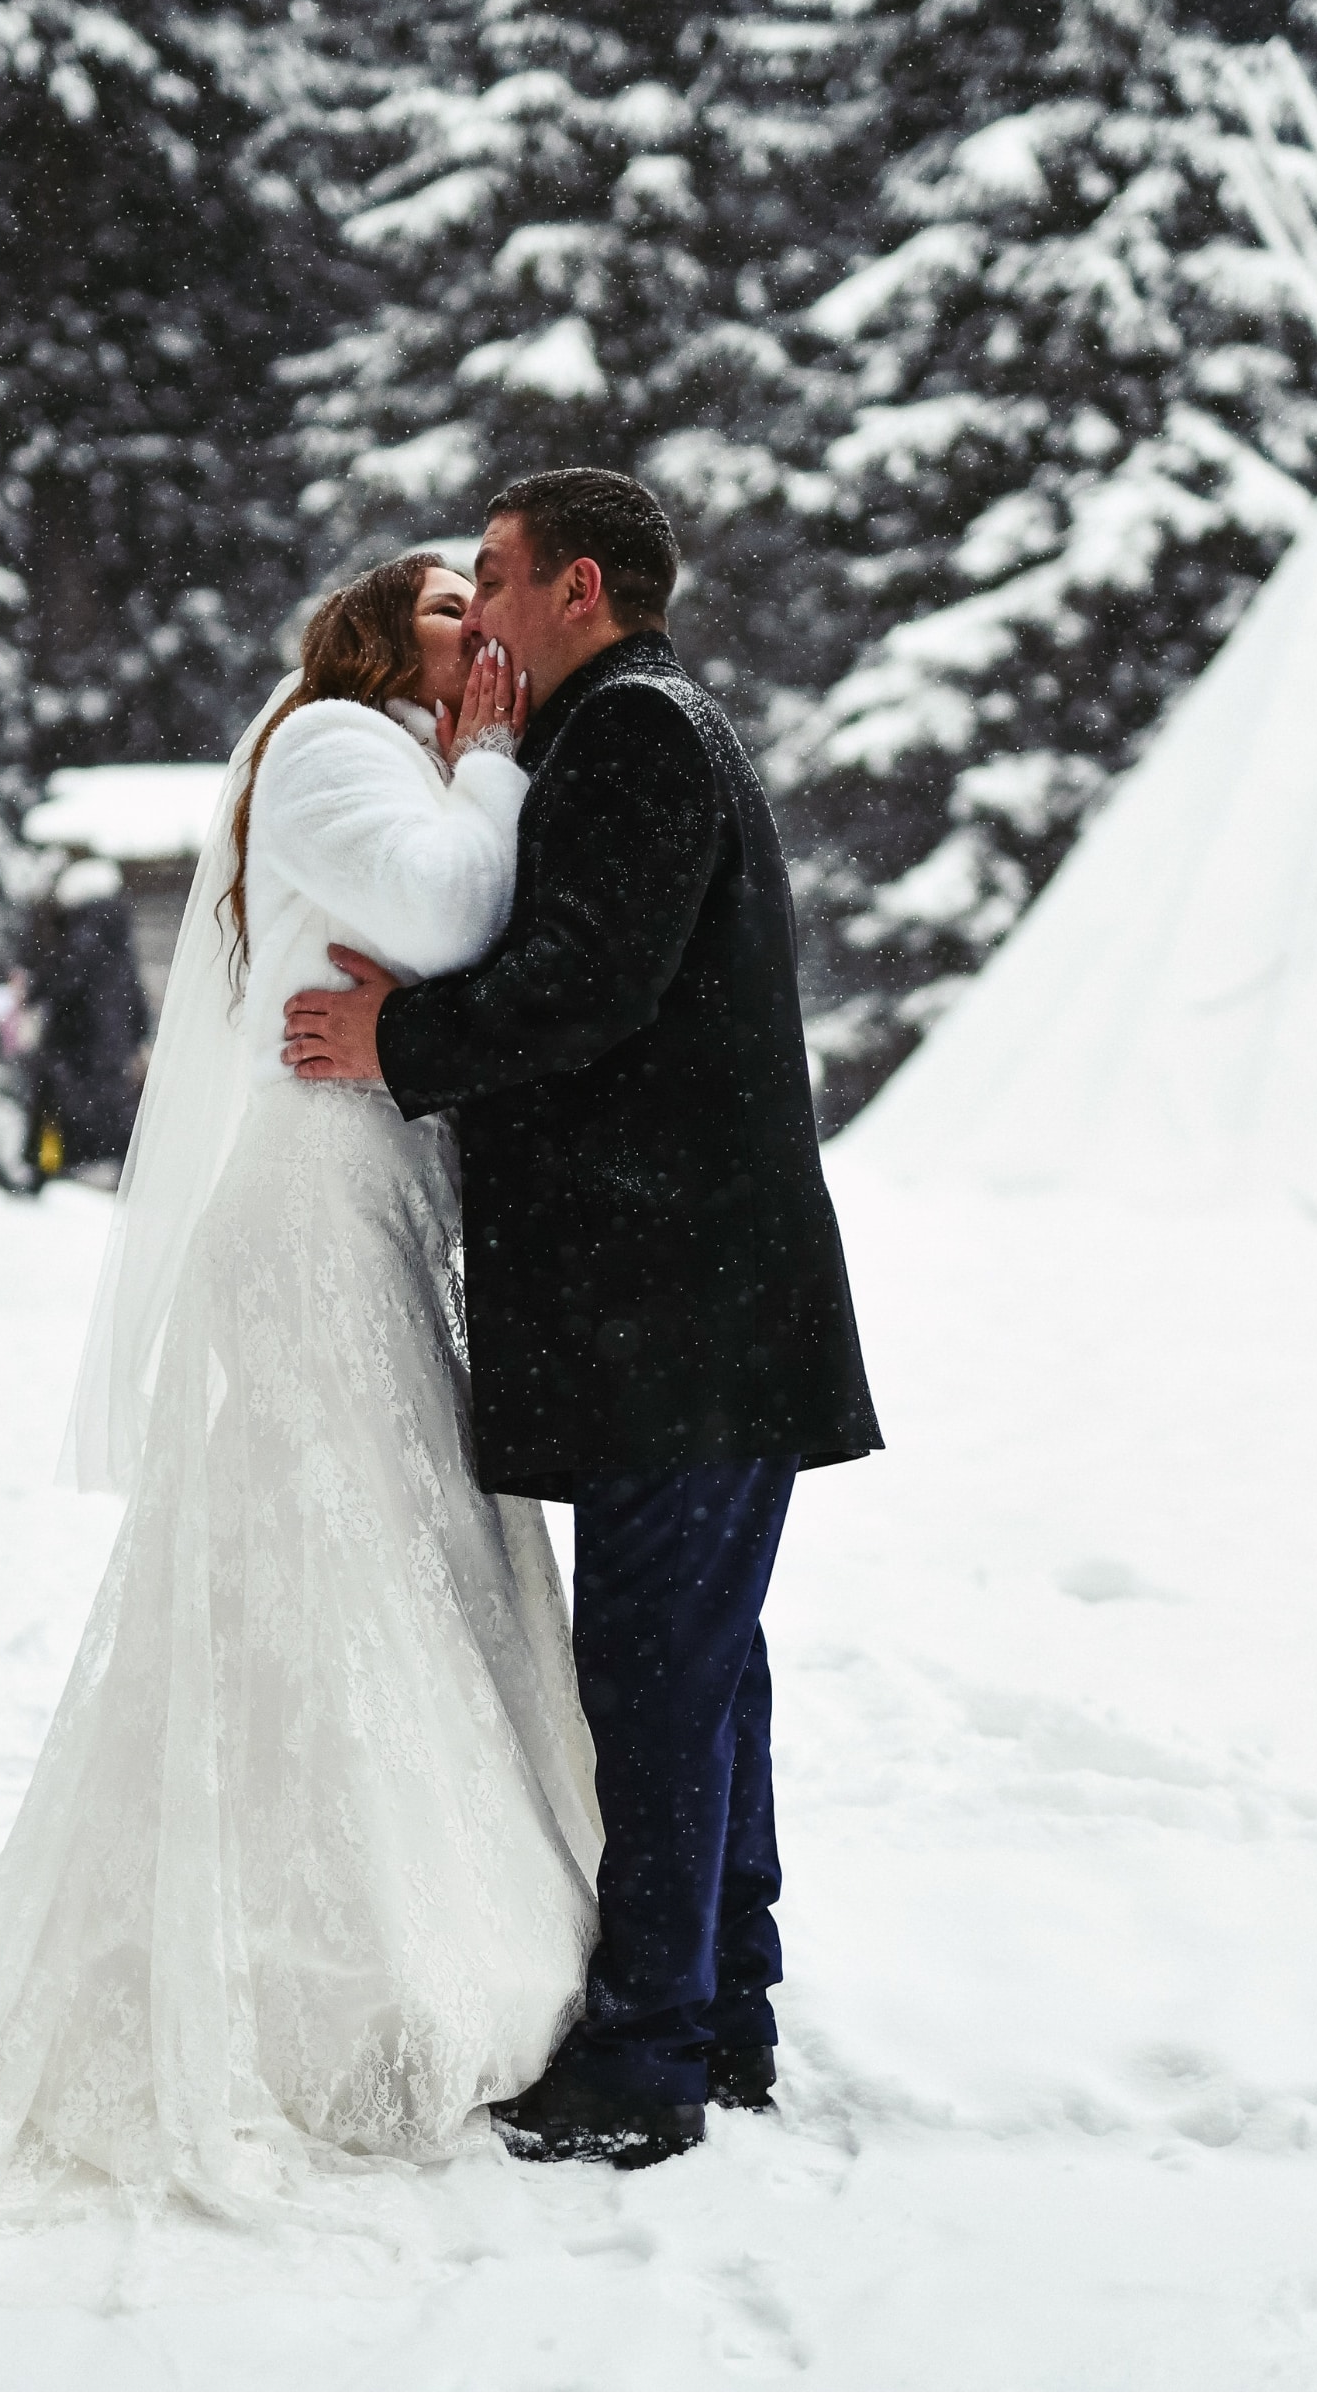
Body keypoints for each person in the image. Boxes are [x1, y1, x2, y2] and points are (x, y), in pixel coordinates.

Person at [0, 556, 600, 2318]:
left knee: (399, 1560)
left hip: (370, 1206)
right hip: (310, 1219)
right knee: (338, 1569)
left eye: (491, 608)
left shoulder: (398, 746)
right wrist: (488, 758)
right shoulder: (334, 746)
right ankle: (336, 1970)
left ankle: (411, 1925)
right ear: (378, 637)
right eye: (452, 609)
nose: (486, 631)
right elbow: (455, 916)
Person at [283, 467, 881, 2169]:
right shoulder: (641, 727)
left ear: (582, 591)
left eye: (498, 572)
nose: (477, 605)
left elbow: (589, 984)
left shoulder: (632, 735)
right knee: (698, 1673)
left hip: (683, 1314)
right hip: (702, 1311)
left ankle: (647, 2061)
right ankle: (723, 2009)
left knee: (659, 1678)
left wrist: (398, 1045)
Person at [18, 857, 152, 1187]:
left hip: (76, 1043)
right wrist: (137, 1035)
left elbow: (65, 976)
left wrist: (32, 991)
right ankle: (119, 1172)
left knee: (55, 1109)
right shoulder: (119, 933)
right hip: (112, 1045)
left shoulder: (84, 928)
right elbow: (134, 990)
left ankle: (45, 1172)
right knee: (111, 1111)